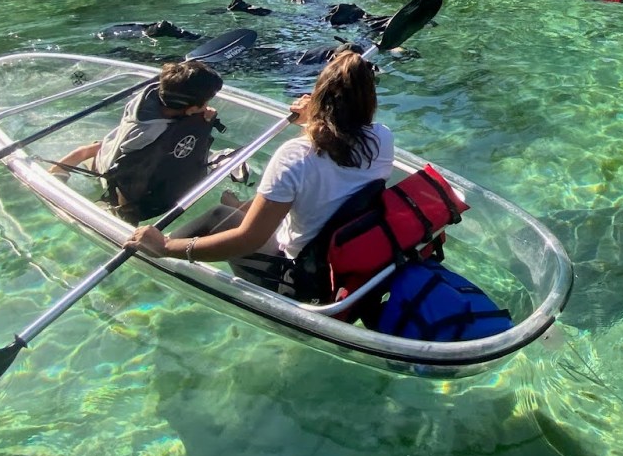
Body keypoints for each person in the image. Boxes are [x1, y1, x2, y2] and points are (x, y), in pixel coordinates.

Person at [125, 51, 394, 292]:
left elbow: (248, 240)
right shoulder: (383, 139)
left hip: (298, 278)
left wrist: (167, 248)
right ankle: (240, 210)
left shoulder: (295, 155)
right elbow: (334, 149)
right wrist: (314, 118)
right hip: (342, 261)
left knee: (219, 216)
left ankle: (153, 248)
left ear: (319, 96)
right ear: (369, 99)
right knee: (253, 209)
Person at [52, 60, 224, 222]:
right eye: (205, 102)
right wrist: (126, 218)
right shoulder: (147, 138)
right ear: (191, 108)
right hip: (112, 167)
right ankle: (57, 171)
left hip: (113, 144)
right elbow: (127, 177)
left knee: (100, 147)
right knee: (98, 154)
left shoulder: (156, 95)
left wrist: (197, 111)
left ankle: (68, 163)